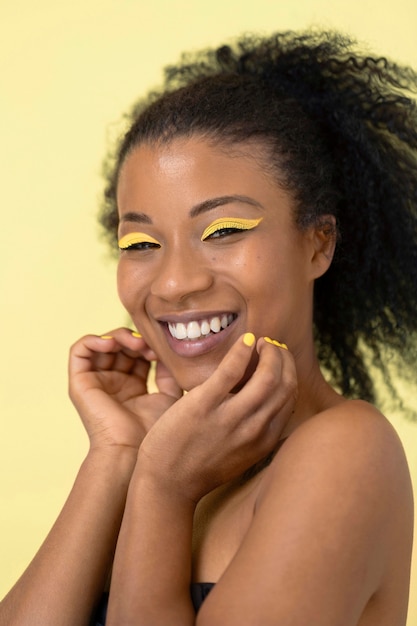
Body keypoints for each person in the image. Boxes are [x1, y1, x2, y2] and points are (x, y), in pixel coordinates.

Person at [1, 29, 416, 626]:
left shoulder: (344, 451)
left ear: (317, 243)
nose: (173, 284)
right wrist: (116, 457)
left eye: (223, 232)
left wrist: (164, 490)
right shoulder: (163, 454)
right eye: (141, 242)